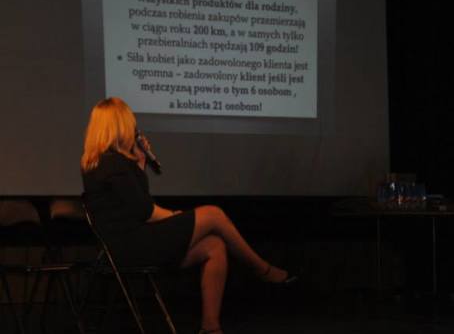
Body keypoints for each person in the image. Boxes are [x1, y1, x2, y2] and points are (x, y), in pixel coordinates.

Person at [81, 97, 296, 334]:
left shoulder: (103, 162)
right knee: (213, 214)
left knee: (214, 246)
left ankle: (210, 328)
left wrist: (140, 163)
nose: (134, 129)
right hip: (130, 247)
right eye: (131, 123)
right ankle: (261, 269)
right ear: (120, 125)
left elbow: (135, 204)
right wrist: (176, 216)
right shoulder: (112, 163)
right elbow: (146, 211)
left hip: (129, 244)